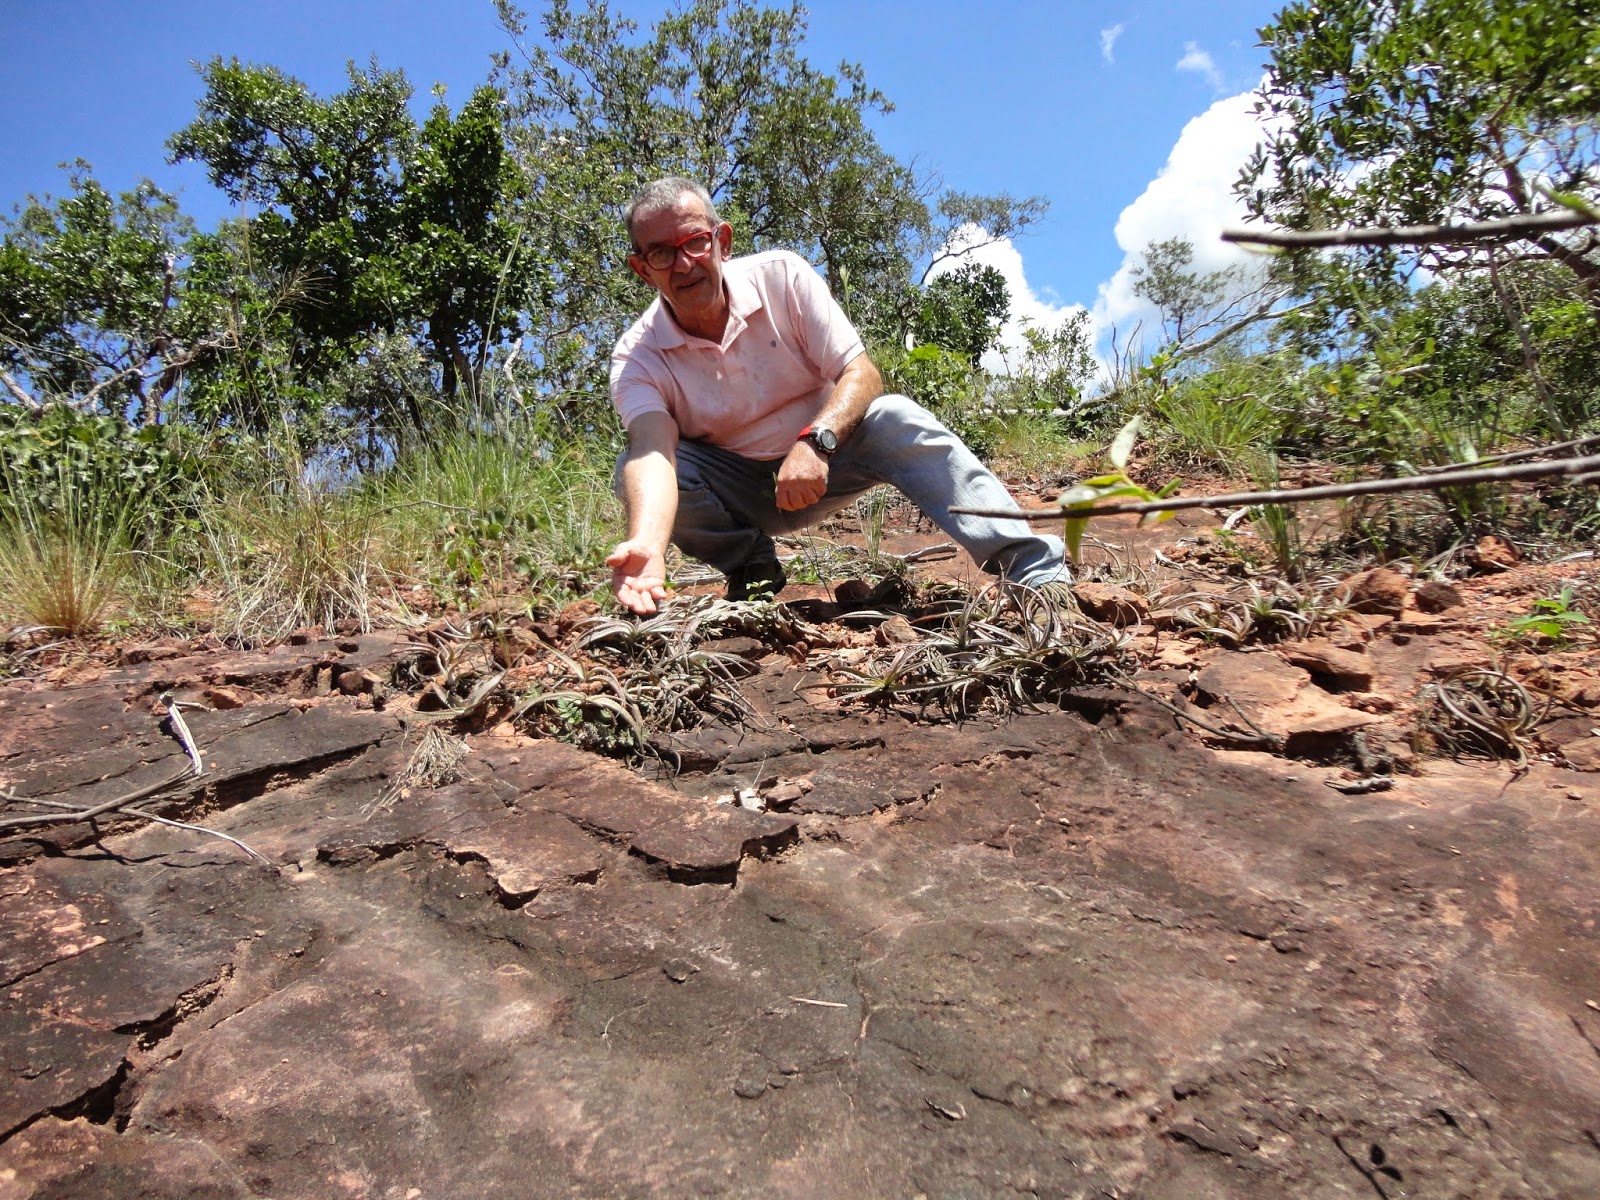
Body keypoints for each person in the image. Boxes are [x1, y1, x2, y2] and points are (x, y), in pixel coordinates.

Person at [605, 176, 1073, 615]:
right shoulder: (636, 357)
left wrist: (816, 441)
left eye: (694, 242)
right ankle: (751, 566)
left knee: (894, 415)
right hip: (740, 491)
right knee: (633, 469)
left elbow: (861, 373)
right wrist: (646, 543)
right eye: (661, 253)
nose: (683, 263)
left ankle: (1035, 571)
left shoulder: (782, 276)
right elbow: (652, 449)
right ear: (642, 270)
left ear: (721, 241)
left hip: (830, 461)